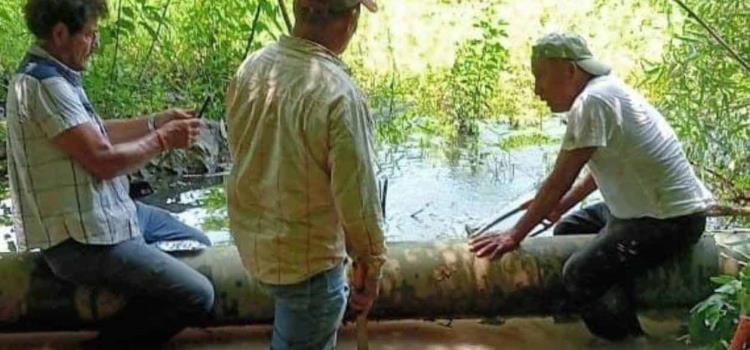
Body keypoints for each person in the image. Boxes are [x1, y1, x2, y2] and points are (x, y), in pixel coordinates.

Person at [469, 32, 713, 342]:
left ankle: (627, 341)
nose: (536, 90)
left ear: (569, 70)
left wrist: (514, 234)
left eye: (540, 76)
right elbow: (602, 168)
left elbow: (559, 179)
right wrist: (562, 206)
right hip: (642, 211)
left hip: (668, 221)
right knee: (569, 228)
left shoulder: (592, 101)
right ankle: (607, 305)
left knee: (579, 274)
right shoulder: (604, 92)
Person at [5, 0, 214, 346]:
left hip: (111, 217)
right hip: (82, 244)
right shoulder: (44, 84)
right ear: (60, 34)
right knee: (198, 294)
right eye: (90, 34)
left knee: (202, 242)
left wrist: (156, 121)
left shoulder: (54, 73)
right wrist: (163, 140)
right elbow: (102, 160)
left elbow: (96, 133)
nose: (96, 44)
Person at [225, 0, 387, 348]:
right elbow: (358, 200)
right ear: (350, 21)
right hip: (308, 267)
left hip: (257, 248)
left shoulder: (252, 67)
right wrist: (370, 265)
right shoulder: (339, 95)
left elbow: (242, 154)